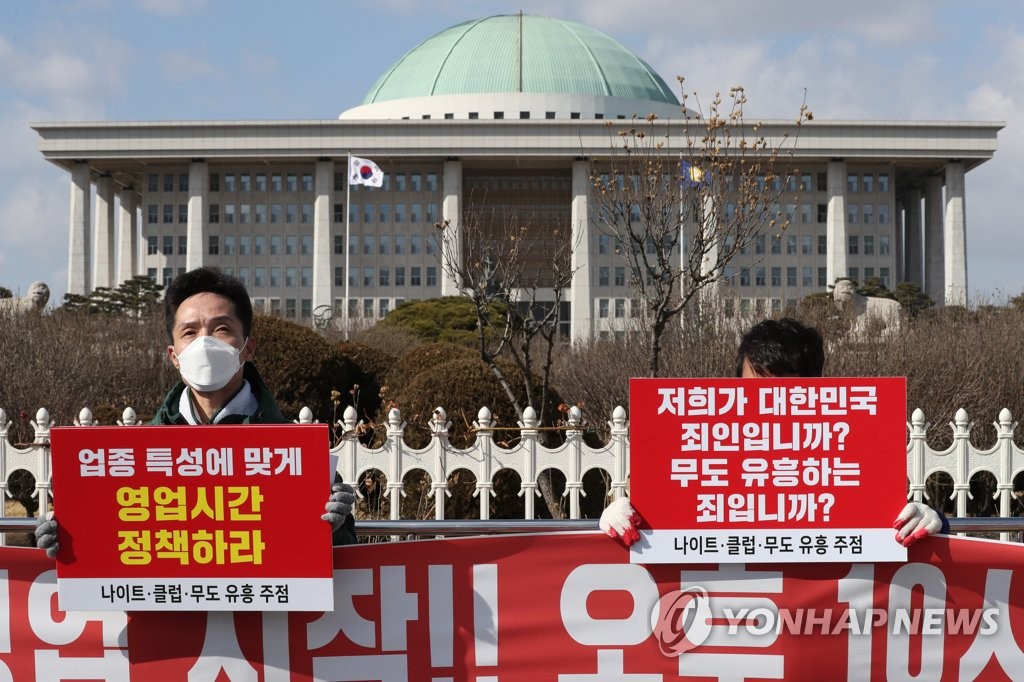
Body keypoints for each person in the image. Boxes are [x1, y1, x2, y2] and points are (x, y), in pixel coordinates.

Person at [36, 267, 356, 555]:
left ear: (249, 347)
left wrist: (337, 529)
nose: (204, 343)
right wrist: (67, 540)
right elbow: (109, 552)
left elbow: (340, 568)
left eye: (221, 329)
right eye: (189, 331)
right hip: (168, 617)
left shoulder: (298, 456)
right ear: (174, 355)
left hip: (258, 619)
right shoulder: (132, 457)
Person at [599, 317, 948, 548]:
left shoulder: (854, 456)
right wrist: (621, 519)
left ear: (819, 391)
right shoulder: (695, 451)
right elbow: (652, 526)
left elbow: (897, 530)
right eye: (756, 391)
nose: (770, 408)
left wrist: (934, 524)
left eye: (786, 393)